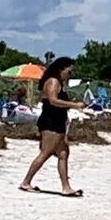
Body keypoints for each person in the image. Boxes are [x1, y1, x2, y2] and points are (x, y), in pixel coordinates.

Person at [20, 62, 83, 197]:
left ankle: (66, 187)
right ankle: (26, 182)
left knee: (63, 154)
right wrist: (74, 105)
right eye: (69, 72)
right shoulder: (53, 82)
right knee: (46, 153)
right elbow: (53, 100)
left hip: (58, 121)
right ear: (60, 70)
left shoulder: (58, 83)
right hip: (50, 122)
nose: (71, 75)